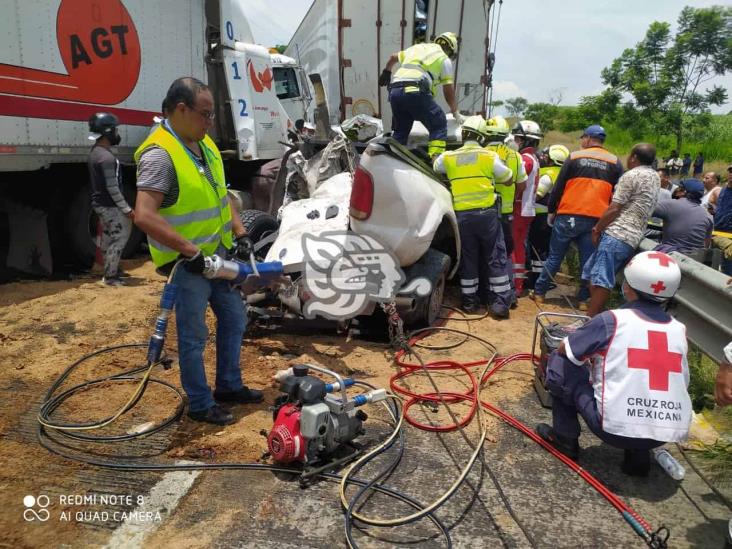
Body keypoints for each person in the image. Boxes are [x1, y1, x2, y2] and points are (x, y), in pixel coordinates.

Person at [134, 77, 263, 426]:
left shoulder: (203, 146)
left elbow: (222, 196)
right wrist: (190, 252)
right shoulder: (160, 154)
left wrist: (241, 232)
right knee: (193, 336)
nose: (210, 122)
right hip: (188, 265)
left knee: (235, 318)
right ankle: (201, 403)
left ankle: (228, 386)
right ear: (180, 110)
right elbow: (144, 214)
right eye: (205, 115)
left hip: (217, 257)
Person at [536, 250, 692, 476]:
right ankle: (638, 457)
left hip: (612, 430)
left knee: (561, 361)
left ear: (627, 287)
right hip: (663, 434)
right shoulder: (679, 329)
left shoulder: (612, 320)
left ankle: (564, 437)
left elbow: (567, 348)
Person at [531, 125, 624, 309]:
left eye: (583, 138)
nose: (582, 141)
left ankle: (540, 293)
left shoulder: (574, 157)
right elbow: (619, 191)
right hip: (596, 219)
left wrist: (552, 209)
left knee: (555, 257)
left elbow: (559, 186)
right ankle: (583, 300)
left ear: (588, 138)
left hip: (567, 215)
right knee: (587, 260)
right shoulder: (615, 162)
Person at [433, 115, 513, 318]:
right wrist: (502, 160)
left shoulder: (449, 157)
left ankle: (469, 302)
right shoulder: (488, 156)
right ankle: (500, 305)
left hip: (462, 217)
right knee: (495, 256)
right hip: (487, 216)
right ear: (482, 137)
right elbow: (508, 178)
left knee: (468, 257)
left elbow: (436, 167)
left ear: (463, 134)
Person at [583, 144, 660, 317]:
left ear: (633, 157)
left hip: (617, 233)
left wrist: (597, 228)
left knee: (601, 279)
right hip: (633, 236)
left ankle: (591, 322)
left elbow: (615, 208)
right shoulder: (655, 176)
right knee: (590, 272)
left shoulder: (631, 175)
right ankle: (597, 315)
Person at [379, 32, 464, 158]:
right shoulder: (443, 58)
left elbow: (393, 57)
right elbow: (448, 90)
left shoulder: (417, 48)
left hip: (395, 91)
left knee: (401, 130)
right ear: (451, 50)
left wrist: (386, 71)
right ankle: (435, 158)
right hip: (415, 90)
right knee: (438, 122)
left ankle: (391, 158)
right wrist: (455, 111)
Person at [483, 115, 528, 302]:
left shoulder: (481, 153)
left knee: (483, 251)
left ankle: (484, 291)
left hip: (484, 210)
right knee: (505, 252)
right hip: (506, 213)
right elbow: (522, 185)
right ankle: (507, 291)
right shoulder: (516, 156)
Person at [87, 112, 134, 286]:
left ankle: (109, 270)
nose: (117, 133)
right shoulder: (107, 158)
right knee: (119, 239)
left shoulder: (95, 153)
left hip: (100, 205)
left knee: (107, 238)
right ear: (107, 131)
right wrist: (127, 209)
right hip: (111, 206)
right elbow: (113, 188)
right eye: (114, 129)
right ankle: (111, 277)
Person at [528, 144, 570, 291]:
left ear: (552, 159)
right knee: (547, 249)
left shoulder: (549, 174)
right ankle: (545, 278)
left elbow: (538, 195)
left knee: (538, 249)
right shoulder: (565, 174)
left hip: (541, 217)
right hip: (555, 217)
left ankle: (538, 280)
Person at [510, 120, 543, 296]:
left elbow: (517, 183)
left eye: (517, 138)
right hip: (527, 210)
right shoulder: (534, 158)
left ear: (524, 140)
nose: (514, 141)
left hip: (518, 209)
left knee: (512, 247)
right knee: (519, 248)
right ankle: (518, 285)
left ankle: (514, 286)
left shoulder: (524, 160)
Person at [652, 179, 713, 254]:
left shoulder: (671, 205)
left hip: (671, 257)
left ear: (683, 192)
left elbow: (642, 210)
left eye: (679, 188)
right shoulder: (708, 216)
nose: (676, 190)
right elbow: (706, 245)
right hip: (695, 261)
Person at [712, 166, 732, 276]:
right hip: (717, 231)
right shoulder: (724, 189)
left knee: (728, 265)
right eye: (731, 171)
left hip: (729, 235)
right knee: (713, 261)